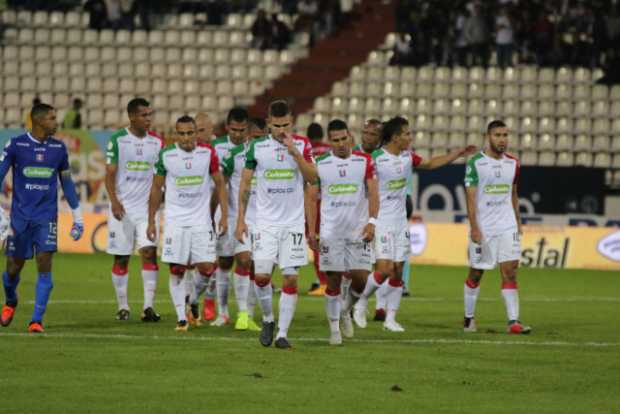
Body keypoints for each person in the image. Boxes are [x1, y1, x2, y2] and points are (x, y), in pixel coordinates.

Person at [352, 116, 476, 332]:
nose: (410, 137)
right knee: (384, 269)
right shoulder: (375, 159)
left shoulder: (408, 157)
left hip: (400, 221)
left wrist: (457, 154)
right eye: (407, 133)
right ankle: (361, 302)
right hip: (381, 221)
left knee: (398, 270)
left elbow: (430, 163)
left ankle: (391, 319)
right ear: (395, 137)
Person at [235, 100, 317, 349]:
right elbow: (245, 185)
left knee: (291, 279)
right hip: (265, 223)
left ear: (292, 122)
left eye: (286, 125)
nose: (281, 130)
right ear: (269, 123)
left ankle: (282, 333)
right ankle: (268, 319)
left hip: (292, 224)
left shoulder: (302, 144)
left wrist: (295, 154)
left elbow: (313, 178)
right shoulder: (257, 147)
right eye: (276, 125)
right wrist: (240, 219)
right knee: (261, 277)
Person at [0, 103, 84, 333]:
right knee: (12, 269)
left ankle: (36, 320)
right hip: (20, 218)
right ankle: (10, 301)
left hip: (46, 217)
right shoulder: (16, 145)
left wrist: (78, 217)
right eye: (52, 118)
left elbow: (66, 182)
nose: (56, 122)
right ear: (38, 121)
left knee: (44, 262)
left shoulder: (59, 149)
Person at [147, 115, 227, 331]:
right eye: (181, 134)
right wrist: (151, 220)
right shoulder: (166, 155)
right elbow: (156, 188)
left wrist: (225, 216)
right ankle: (182, 318)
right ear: (176, 134)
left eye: (190, 133)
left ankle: (191, 300)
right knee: (177, 269)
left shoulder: (207, 153)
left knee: (207, 268)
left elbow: (220, 184)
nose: (186, 138)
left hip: (201, 221)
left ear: (196, 133)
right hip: (176, 221)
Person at [307, 119, 378, 345]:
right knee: (334, 281)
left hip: (358, 231)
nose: (340, 144)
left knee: (361, 279)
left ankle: (346, 310)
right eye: (335, 140)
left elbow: (374, 193)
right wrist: (311, 230)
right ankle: (334, 331)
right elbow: (311, 197)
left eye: (344, 139)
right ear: (329, 141)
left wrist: (372, 221)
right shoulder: (320, 162)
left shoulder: (365, 161)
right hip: (331, 232)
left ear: (350, 137)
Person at [463, 120, 530, 335]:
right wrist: (474, 227)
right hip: (484, 228)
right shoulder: (476, 163)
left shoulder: (514, 164)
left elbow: (513, 193)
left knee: (510, 272)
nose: (502, 139)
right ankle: (468, 318)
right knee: (476, 273)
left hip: (507, 225)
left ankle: (514, 322)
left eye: (505, 135)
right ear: (488, 137)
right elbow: (471, 199)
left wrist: (518, 221)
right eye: (498, 135)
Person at [104, 98, 164, 322]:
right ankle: (123, 306)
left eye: (150, 114)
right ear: (132, 117)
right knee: (121, 258)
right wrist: (114, 201)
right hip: (122, 209)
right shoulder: (118, 140)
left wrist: (154, 210)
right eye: (144, 115)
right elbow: (109, 174)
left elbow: (159, 179)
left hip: (147, 210)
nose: (148, 119)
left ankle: (148, 307)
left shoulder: (157, 142)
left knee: (149, 253)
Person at [210, 108, 252, 328]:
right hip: (225, 211)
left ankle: (244, 314)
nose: (237, 134)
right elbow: (218, 184)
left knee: (245, 260)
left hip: (250, 214)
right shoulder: (216, 148)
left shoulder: (252, 149)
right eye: (234, 129)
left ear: (248, 128)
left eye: (242, 130)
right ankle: (223, 312)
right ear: (227, 127)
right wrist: (218, 214)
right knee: (224, 262)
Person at [306, 122, 330, 296]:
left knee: (314, 241)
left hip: (312, 202)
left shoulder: (307, 151)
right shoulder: (330, 150)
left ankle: (322, 282)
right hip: (329, 203)